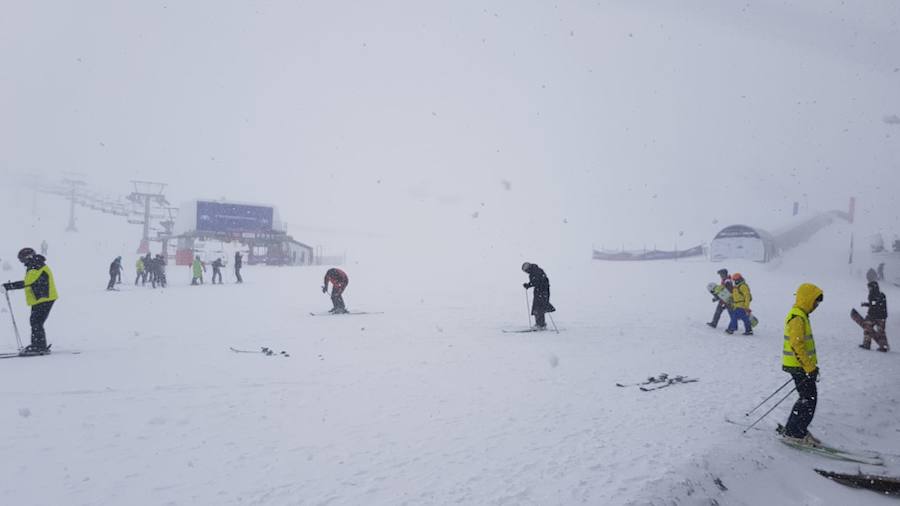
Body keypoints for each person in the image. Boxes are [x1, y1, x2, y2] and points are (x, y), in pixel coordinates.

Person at [781, 283, 823, 446]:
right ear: (807, 299)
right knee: (808, 399)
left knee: (807, 398)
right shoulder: (797, 316)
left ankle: (797, 429)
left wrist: (811, 366)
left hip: (801, 365)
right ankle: (794, 433)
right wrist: (809, 367)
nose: (816, 306)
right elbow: (796, 345)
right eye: (815, 302)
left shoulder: (801, 314)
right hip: (798, 365)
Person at [1, 248, 58, 353]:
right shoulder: (35, 264)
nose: (22, 262)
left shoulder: (36, 266)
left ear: (28, 257)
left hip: (45, 298)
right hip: (41, 298)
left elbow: (27, 282)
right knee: (35, 321)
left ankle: (39, 346)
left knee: (36, 322)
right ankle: (38, 345)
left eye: (22, 260)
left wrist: (8, 286)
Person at [522, 262, 556, 330]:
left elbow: (537, 281)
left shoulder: (536, 271)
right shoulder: (535, 271)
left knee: (539, 307)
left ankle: (541, 325)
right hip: (540, 291)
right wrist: (529, 285)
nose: (526, 272)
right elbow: (536, 281)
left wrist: (529, 285)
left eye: (526, 270)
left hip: (542, 291)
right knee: (538, 307)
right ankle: (540, 324)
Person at [859, 280, 889, 352]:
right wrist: (866, 304)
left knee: (876, 330)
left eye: (869, 287)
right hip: (877, 316)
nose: (868, 289)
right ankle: (869, 344)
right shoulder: (876, 295)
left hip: (877, 316)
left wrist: (870, 304)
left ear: (873, 287)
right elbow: (873, 304)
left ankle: (881, 346)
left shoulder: (879, 295)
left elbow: (875, 304)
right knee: (870, 329)